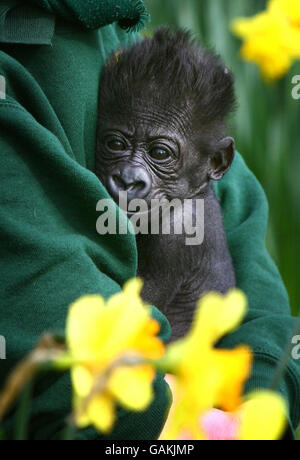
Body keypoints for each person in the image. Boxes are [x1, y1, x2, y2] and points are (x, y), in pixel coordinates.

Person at [0, 0, 299, 440]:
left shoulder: (181, 222)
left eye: (158, 155)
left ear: (216, 163)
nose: (129, 175)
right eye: (115, 146)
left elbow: (136, 315)